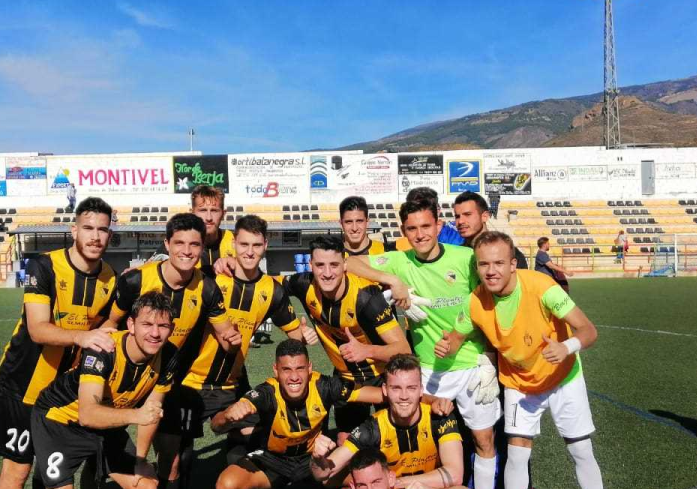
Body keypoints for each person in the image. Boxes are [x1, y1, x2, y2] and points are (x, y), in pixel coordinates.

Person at [344, 198, 500, 489]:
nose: (420, 234)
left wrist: (478, 350)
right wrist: (393, 281)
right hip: (429, 370)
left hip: (472, 365)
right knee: (430, 443)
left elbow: (486, 302)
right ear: (403, 231)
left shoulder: (466, 257)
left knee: (484, 440)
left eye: (426, 226)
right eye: (412, 228)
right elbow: (349, 261)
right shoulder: (400, 260)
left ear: (439, 225)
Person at [441, 231, 604, 489]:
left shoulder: (542, 287)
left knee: (580, 449)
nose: (491, 271)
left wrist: (566, 347)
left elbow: (588, 330)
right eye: (484, 264)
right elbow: (454, 340)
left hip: (563, 377)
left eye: (499, 263)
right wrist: (446, 346)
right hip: (519, 383)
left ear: (513, 264)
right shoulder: (474, 302)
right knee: (517, 455)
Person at [163, 215, 307, 487]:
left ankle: (237, 477)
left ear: (266, 245)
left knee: (256, 436)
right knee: (175, 458)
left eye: (256, 245)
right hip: (190, 383)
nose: (250, 252)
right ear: (233, 246)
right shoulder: (210, 278)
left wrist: (304, 335)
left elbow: (295, 334)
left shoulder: (272, 290)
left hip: (231, 386)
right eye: (244, 245)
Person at [0, 197, 121, 489]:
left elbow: (107, 324)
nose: (95, 236)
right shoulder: (44, 265)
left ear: (109, 234)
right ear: (74, 231)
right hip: (23, 383)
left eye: (102, 229)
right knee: (17, 471)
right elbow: (37, 330)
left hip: (63, 390)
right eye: (88, 228)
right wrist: (81, 336)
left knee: (52, 471)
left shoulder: (111, 278)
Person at [108, 212, 242, 489]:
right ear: (167, 244)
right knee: (100, 448)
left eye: (194, 244)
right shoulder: (136, 281)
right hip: (123, 378)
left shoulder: (207, 288)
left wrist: (233, 339)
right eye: (179, 243)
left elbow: (226, 336)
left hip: (168, 378)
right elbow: (110, 324)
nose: (187, 251)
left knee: (171, 459)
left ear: (202, 248)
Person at [30, 291, 179, 489]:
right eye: (147, 324)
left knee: (146, 485)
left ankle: (93, 469)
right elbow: (87, 415)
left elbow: (151, 411)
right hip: (60, 422)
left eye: (163, 326)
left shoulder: (169, 354)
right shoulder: (104, 348)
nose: (155, 333)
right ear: (131, 325)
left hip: (107, 425)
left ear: (172, 329)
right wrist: (136, 415)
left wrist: (140, 460)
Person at [275, 235, 411, 437]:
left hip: (381, 376)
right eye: (320, 265)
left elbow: (404, 350)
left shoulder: (367, 297)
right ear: (310, 265)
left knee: (391, 439)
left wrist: (366, 351)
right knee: (344, 441)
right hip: (345, 379)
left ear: (345, 265)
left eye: (334, 265)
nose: (327, 273)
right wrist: (294, 328)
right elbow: (268, 286)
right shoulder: (304, 285)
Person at [210, 339, 389, 489]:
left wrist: (401, 394)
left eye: (300, 368)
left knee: (364, 481)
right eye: (286, 369)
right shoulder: (265, 393)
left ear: (309, 368)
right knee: (227, 484)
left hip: (315, 460)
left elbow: (376, 394)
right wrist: (226, 416)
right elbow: (216, 427)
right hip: (273, 461)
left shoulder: (325, 386)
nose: (294, 377)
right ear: (276, 370)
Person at [312, 354, 465, 487]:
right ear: (385, 390)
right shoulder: (372, 428)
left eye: (411, 388)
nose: (404, 396)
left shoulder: (439, 417)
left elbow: (455, 475)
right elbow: (324, 475)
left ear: (420, 390)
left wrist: (396, 483)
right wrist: (318, 460)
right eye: (396, 388)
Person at [149, 185, 236, 275]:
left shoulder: (236, 241)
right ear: (192, 213)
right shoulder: (175, 243)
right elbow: (149, 273)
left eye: (214, 211)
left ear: (223, 214)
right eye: (203, 210)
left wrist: (237, 263)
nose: (209, 218)